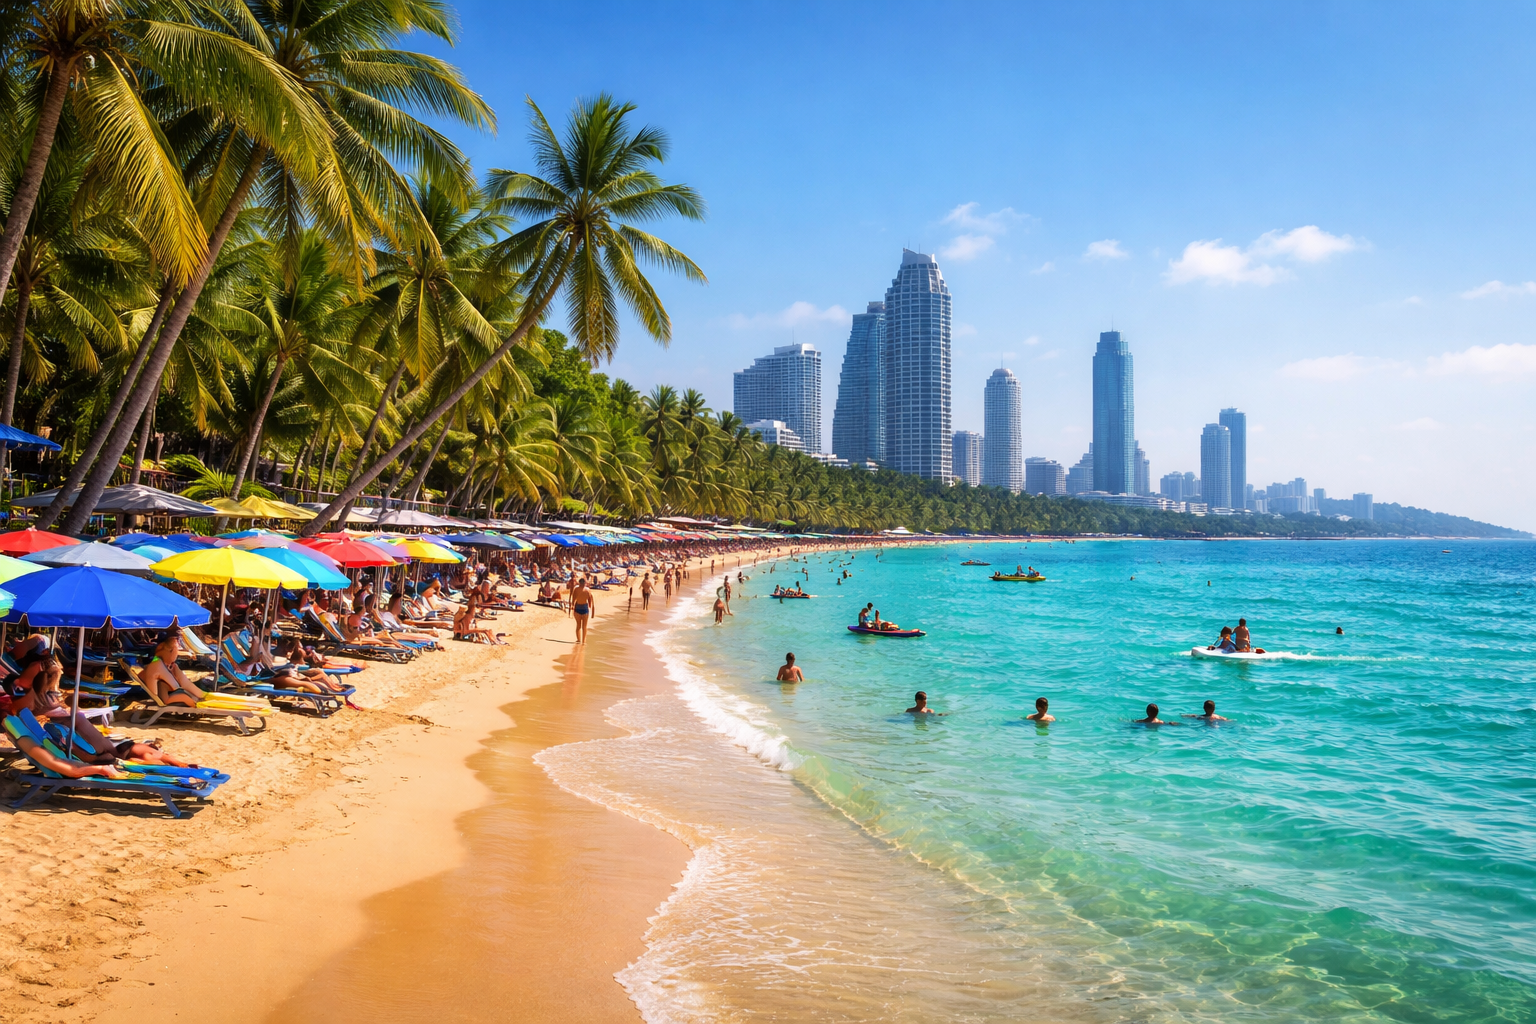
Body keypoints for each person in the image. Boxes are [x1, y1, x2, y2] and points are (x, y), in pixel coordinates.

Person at [572, 576, 594, 644]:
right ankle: (583, 641)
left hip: (578, 607)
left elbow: (573, 600)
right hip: (585, 608)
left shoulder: (576, 589)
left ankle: (578, 639)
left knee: (578, 625)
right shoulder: (587, 590)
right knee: (584, 626)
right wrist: (591, 607)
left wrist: (572, 607)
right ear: (585, 583)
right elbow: (590, 601)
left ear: (579, 583)